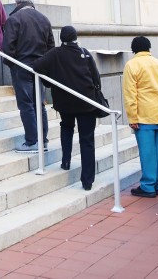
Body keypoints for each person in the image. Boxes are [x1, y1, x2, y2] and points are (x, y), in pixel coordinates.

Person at [33, 26, 108, 190]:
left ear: (62, 39)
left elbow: (37, 66)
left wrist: (51, 82)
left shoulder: (55, 53)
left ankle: (66, 161)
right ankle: (87, 181)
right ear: (75, 38)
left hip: (65, 103)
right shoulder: (84, 52)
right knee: (87, 139)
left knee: (66, 128)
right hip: (86, 102)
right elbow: (96, 77)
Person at [2, 0, 55, 152]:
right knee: (39, 103)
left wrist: (12, 64)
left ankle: (32, 141)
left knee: (26, 105)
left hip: (22, 66)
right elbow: (51, 46)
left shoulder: (14, 19)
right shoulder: (44, 19)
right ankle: (43, 140)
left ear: (17, 2)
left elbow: (7, 47)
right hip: (39, 66)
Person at [123, 36, 158, 198]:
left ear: (133, 49)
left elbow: (130, 93)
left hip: (143, 115)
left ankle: (148, 186)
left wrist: (132, 117)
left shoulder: (132, 65)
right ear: (149, 48)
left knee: (147, 152)